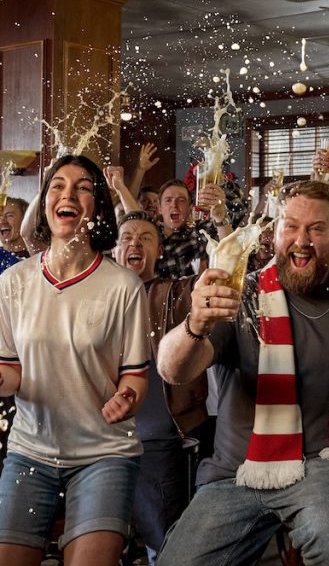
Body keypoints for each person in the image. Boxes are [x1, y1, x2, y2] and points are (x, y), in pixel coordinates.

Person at [157, 180, 329, 565]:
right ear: (274, 233)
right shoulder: (241, 296)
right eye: (291, 226)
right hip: (236, 471)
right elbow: (173, 370)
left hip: (326, 462)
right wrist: (196, 324)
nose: (301, 241)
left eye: (317, 229)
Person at [0, 155, 151, 566]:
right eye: (57, 186)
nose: (68, 194)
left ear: (97, 206)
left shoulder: (124, 286)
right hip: (30, 450)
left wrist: (127, 398)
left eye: (82, 187)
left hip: (104, 453)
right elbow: (11, 372)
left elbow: (135, 378)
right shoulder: (13, 282)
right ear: (45, 203)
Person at [112, 208, 203, 564]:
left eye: (145, 238)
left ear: (160, 250)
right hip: (101, 438)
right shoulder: (96, 297)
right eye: (126, 238)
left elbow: (213, 283)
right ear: (115, 249)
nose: (134, 244)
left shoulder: (173, 292)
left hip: (155, 437)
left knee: (163, 541)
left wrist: (220, 222)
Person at [155, 179, 233, 279]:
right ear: (159, 208)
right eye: (168, 200)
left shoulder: (200, 233)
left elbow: (230, 249)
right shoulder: (151, 238)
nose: (174, 205)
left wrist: (220, 216)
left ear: (190, 208)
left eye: (181, 200)